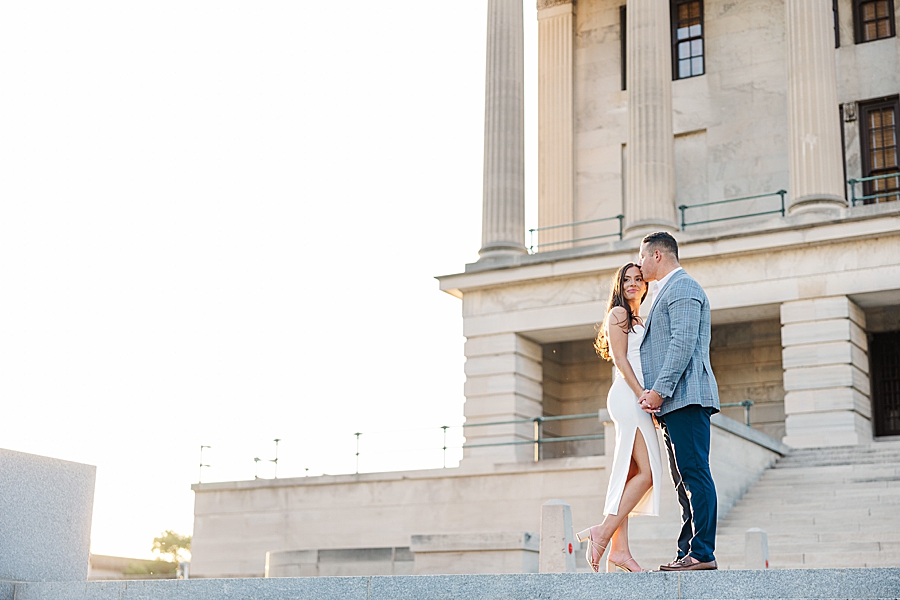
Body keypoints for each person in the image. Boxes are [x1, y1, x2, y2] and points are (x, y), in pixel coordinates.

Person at [636, 231, 720, 571]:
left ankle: (702, 553)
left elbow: (682, 343)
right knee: (683, 480)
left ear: (657, 255)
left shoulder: (683, 287)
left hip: (686, 398)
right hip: (673, 404)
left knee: (695, 474)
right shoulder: (663, 292)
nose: (639, 263)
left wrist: (659, 390)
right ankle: (688, 549)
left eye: (642, 256)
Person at [575, 262, 663, 573]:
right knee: (649, 473)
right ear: (619, 285)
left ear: (645, 284)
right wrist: (642, 395)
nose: (632, 284)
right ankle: (602, 532)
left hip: (638, 397)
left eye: (638, 279)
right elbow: (622, 360)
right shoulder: (619, 314)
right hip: (628, 396)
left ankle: (620, 550)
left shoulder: (642, 316)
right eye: (626, 279)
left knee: (630, 474)